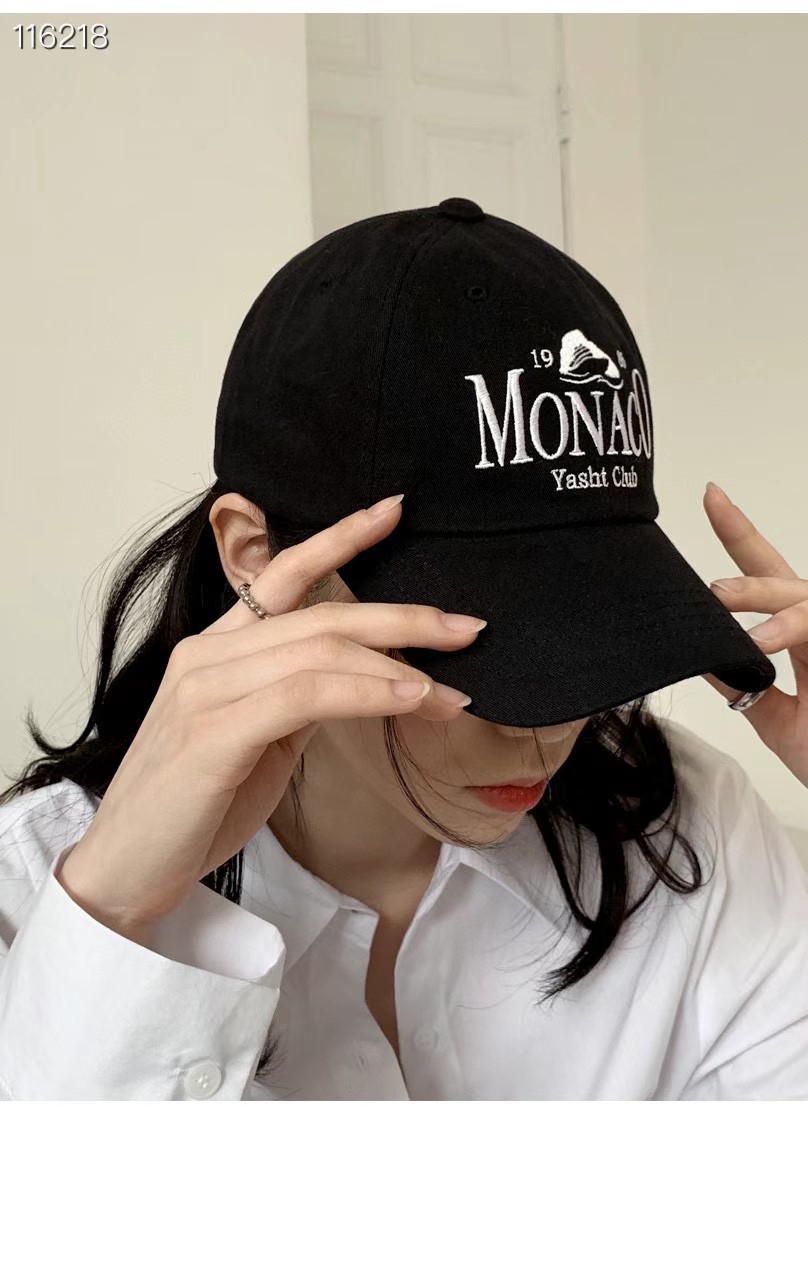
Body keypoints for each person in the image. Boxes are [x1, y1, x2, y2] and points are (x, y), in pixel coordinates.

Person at [1, 197, 807, 1101]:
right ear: (257, 556)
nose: (547, 730)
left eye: (590, 624)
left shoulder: (692, 834)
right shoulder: (28, 892)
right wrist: (112, 924)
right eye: (475, 638)